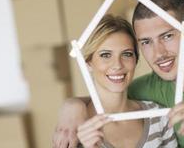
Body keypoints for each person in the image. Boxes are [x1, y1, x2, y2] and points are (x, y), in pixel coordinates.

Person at [53, 0, 184, 148]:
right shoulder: (146, 91)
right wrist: (72, 107)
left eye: (167, 36)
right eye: (146, 42)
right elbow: (111, 96)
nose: (158, 53)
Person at [54, 14, 177, 147]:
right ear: (88, 62)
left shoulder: (158, 116)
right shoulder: (73, 127)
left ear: (135, 60)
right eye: (105, 55)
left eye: (127, 54)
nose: (117, 65)